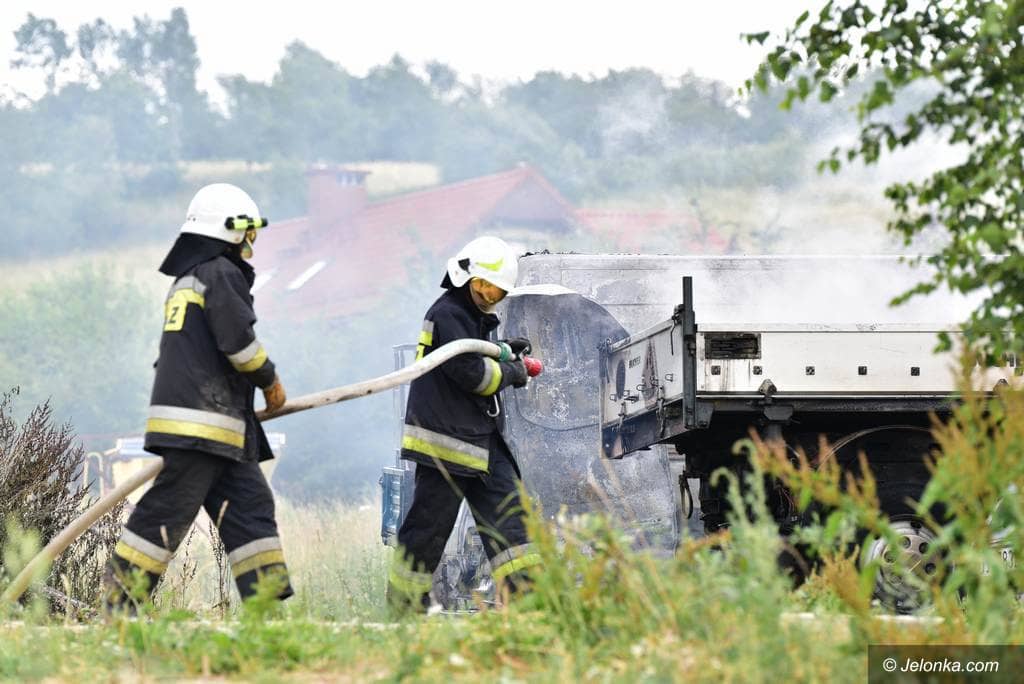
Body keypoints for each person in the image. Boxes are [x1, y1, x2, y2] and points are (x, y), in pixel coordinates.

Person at [104, 183, 292, 610]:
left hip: (218, 429)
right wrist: (270, 381)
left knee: (251, 508)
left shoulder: (191, 277)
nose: (251, 243)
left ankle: (265, 607)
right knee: (166, 513)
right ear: (229, 230)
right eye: (248, 232)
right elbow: (239, 344)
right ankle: (119, 604)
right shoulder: (220, 273)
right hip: (200, 424)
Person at [388, 235, 541, 614]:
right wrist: (514, 372)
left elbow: (476, 356)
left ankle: (530, 606)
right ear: (471, 280)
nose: (493, 295)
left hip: (481, 443)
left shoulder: (470, 317)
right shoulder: (448, 314)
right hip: (446, 445)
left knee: (513, 522)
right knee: (427, 532)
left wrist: (504, 349)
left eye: (500, 291)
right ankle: (403, 610)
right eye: (489, 286)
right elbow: (475, 376)